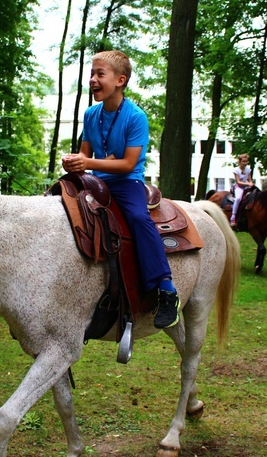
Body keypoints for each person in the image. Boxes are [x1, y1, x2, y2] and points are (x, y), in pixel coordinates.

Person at [61, 50, 179, 329]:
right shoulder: (91, 114)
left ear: (120, 80)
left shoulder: (136, 117)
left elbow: (127, 164)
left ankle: (166, 290)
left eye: (100, 74)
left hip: (127, 183)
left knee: (138, 218)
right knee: (64, 207)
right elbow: (85, 153)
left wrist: (88, 162)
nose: (92, 79)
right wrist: (75, 163)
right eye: (92, 74)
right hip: (96, 180)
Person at [230, 153, 254, 227]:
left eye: (246, 161)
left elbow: (250, 180)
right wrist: (248, 184)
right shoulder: (236, 170)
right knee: (238, 198)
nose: (245, 163)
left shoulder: (248, 170)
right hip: (239, 187)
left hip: (247, 187)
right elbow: (238, 181)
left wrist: (251, 184)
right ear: (240, 162)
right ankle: (233, 216)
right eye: (243, 161)